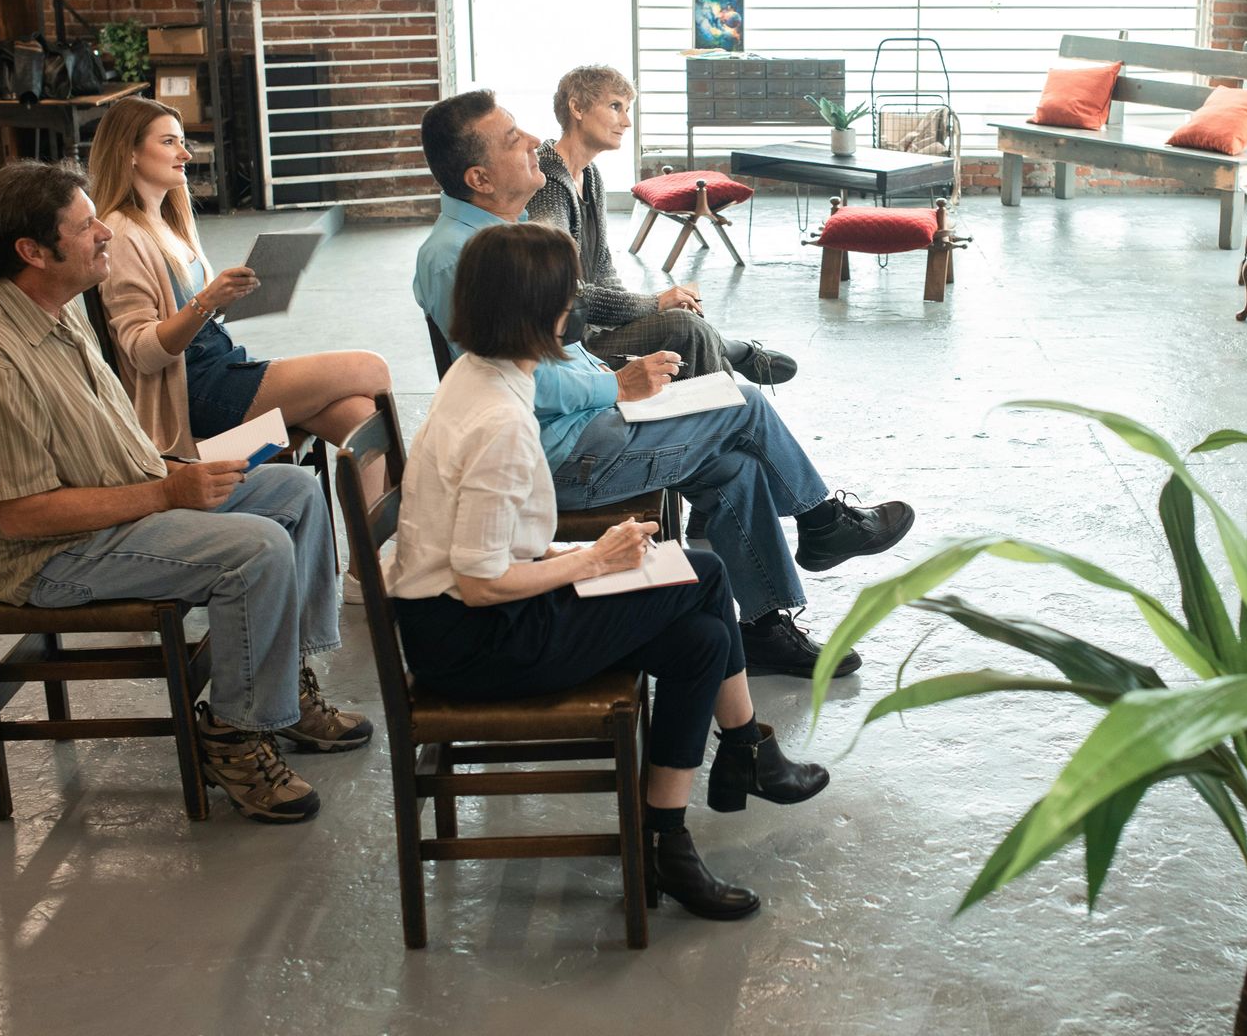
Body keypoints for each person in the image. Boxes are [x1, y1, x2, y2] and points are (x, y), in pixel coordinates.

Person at [388, 222, 829, 919]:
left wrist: (588, 560)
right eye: (568, 299)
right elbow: (479, 582)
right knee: (706, 581)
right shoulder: (500, 420)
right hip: (476, 640)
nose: (577, 313)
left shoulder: (480, 375)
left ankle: (671, 838)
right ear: (543, 314)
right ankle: (742, 754)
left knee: (703, 643)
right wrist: (595, 559)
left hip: (479, 608)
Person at [0, 160, 371, 824]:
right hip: (53, 555)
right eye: (85, 225)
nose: (104, 232)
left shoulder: (48, 305)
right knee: (258, 549)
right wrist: (167, 495)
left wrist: (173, 477)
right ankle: (236, 736)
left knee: (293, 492)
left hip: (130, 495)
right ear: (33, 252)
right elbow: (19, 517)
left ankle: (284, 696)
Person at [416, 90, 914, 679]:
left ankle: (763, 626)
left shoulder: (505, 232)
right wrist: (616, 387)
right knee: (742, 402)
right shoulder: (459, 257)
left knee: (737, 468)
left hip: (588, 430)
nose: (531, 142)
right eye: (511, 139)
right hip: (557, 457)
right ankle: (821, 520)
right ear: (478, 176)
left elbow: (560, 349)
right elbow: (507, 384)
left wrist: (613, 381)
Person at [88, 96, 391, 459]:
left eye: (183, 142)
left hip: (221, 369)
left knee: (358, 415)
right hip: (195, 394)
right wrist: (208, 301)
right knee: (369, 368)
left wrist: (228, 298)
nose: (185, 154)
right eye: (169, 142)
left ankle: (387, 517)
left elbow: (185, 316)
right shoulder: (123, 233)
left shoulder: (168, 222)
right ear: (129, 153)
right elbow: (143, 353)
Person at [531, 65, 796, 386]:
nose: (626, 122)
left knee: (683, 319)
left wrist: (647, 314)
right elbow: (564, 293)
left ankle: (730, 397)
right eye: (615, 106)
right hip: (571, 341)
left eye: (627, 110)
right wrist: (653, 303)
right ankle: (735, 370)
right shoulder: (548, 181)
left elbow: (603, 270)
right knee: (686, 328)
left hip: (597, 325)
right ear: (577, 108)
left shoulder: (590, 175)